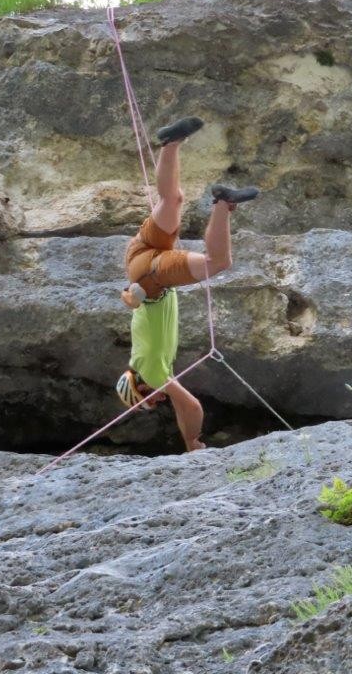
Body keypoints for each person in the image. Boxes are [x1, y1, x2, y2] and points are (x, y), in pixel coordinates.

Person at [115, 116, 258, 452]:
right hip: (139, 260)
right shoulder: (147, 363)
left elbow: (190, 406)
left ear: (142, 388)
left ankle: (223, 204)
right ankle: (171, 143)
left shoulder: (150, 371)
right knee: (172, 201)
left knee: (217, 263)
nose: (160, 396)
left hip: (151, 278)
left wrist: (191, 440)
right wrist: (132, 298)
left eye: (151, 397)